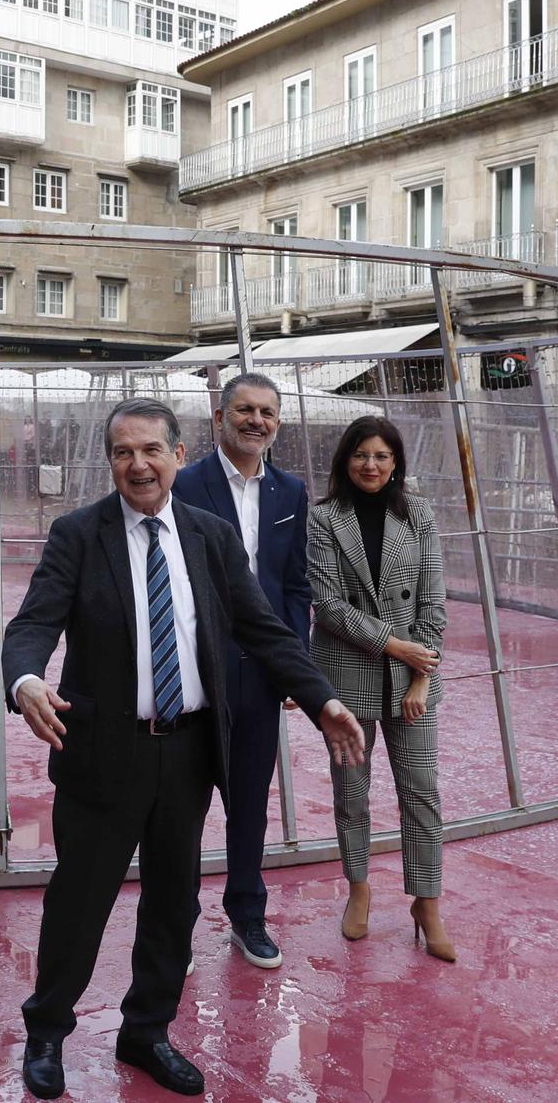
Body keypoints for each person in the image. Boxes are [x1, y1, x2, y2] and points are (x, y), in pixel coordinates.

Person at [4, 398, 366, 1099]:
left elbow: (264, 628)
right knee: (80, 902)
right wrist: (25, 680)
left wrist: (322, 699)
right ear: (110, 460)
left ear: (177, 454)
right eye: (122, 451)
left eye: (150, 449)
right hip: (105, 755)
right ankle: (47, 1030)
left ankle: (147, 1030)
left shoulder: (208, 535)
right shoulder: (78, 534)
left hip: (189, 752)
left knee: (173, 904)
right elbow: (33, 623)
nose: (137, 463)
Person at [170, 372, 311, 969]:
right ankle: (176, 923)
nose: (257, 422)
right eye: (245, 411)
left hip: (260, 670)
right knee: (182, 802)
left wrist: (291, 663)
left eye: (268, 413)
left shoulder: (291, 491)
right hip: (195, 668)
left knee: (250, 800)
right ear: (220, 418)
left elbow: (297, 585)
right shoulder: (187, 483)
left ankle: (246, 916)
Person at [307, 415, 455, 963]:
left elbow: (433, 604)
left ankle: (427, 901)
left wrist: (420, 674)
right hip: (348, 670)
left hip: (414, 680)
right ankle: (360, 887)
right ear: (346, 460)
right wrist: (396, 646)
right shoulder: (323, 519)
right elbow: (328, 605)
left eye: (382, 457)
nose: (371, 465)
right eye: (361, 455)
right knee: (352, 789)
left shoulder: (418, 515)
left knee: (420, 790)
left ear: (396, 464)